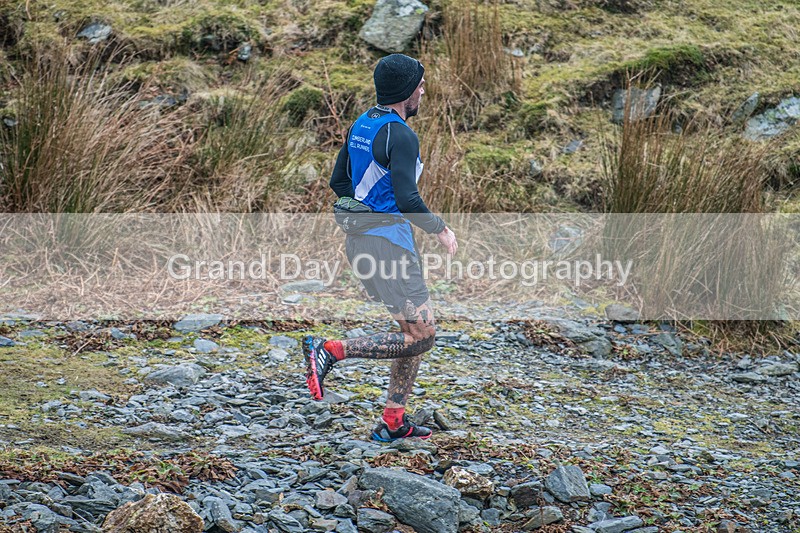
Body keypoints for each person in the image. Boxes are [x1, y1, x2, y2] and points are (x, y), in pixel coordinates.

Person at [303, 53, 458, 442]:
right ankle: (331, 350)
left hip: (365, 242)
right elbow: (407, 197)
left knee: (412, 332)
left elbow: (340, 182)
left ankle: (393, 421)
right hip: (389, 245)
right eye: (420, 84)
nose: (424, 89)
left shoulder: (363, 123)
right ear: (407, 91)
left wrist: (363, 216)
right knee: (423, 335)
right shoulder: (401, 134)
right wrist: (440, 229)